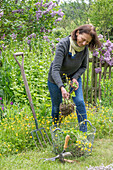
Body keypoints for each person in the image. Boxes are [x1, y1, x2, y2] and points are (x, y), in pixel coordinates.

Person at [48, 24, 101, 132]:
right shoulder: (63, 44)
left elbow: (84, 67)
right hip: (56, 79)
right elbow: (55, 69)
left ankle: (83, 134)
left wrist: (75, 78)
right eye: (83, 39)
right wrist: (62, 87)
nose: (84, 43)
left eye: (87, 42)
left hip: (73, 78)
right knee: (56, 107)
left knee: (80, 102)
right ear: (77, 33)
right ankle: (56, 130)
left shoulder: (84, 49)